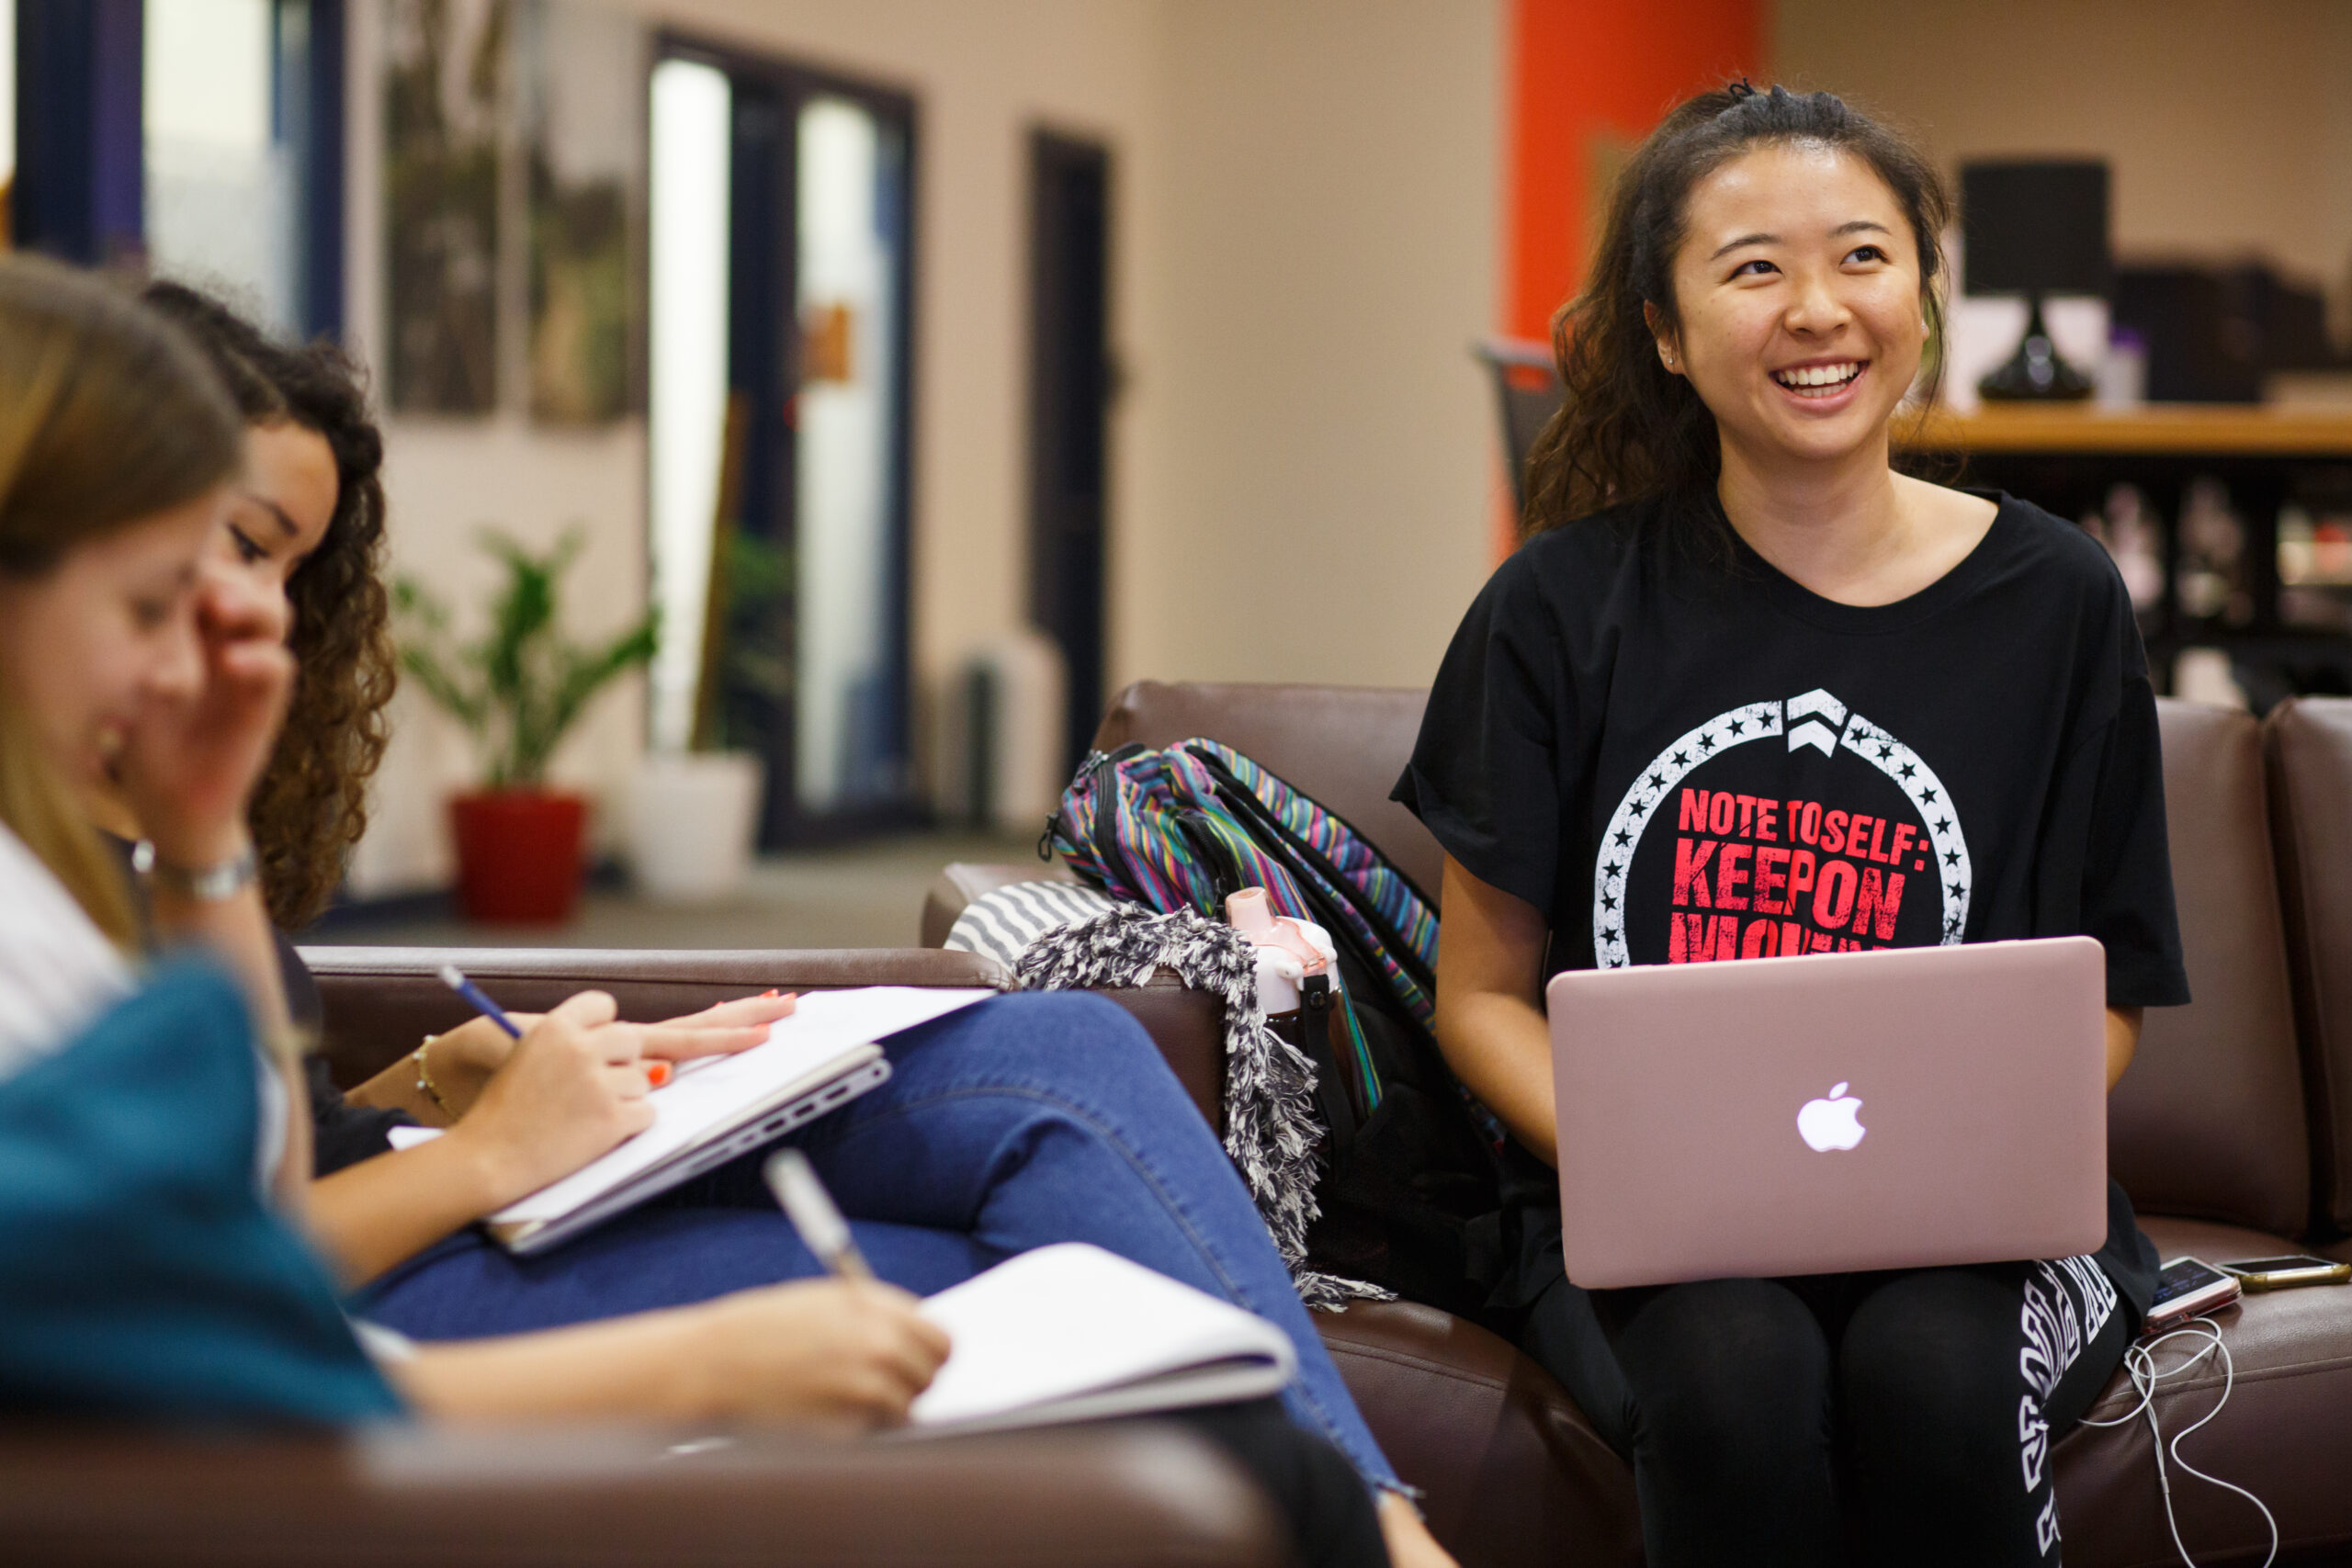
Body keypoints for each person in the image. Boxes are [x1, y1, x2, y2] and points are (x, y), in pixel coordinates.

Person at [26, 271, 1446, 1567]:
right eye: (192, 568)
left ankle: (1370, 1522)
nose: (248, 617)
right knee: (1097, 1333)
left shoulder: (126, 830)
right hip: (399, 1280)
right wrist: (491, 1162)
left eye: (281, 570)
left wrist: (435, 1079)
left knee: (1062, 1057)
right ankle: (1372, 1531)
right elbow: (214, 1284)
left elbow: (237, 1164)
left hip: (422, 1195)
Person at [1394, 85, 2188, 1567]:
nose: (1816, 310)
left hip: (1971, 1230)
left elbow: (2111, 994)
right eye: (1753, 267)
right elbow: (1483, 996)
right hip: (1646, 1227)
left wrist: (1958, 1157)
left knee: (1934, 1374)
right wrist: (1664, 1171)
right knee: (1735, 1377)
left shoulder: (2062, 601)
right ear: (1668, 330)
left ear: (1927, 296)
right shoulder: (1558, 609)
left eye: (1863, 258)